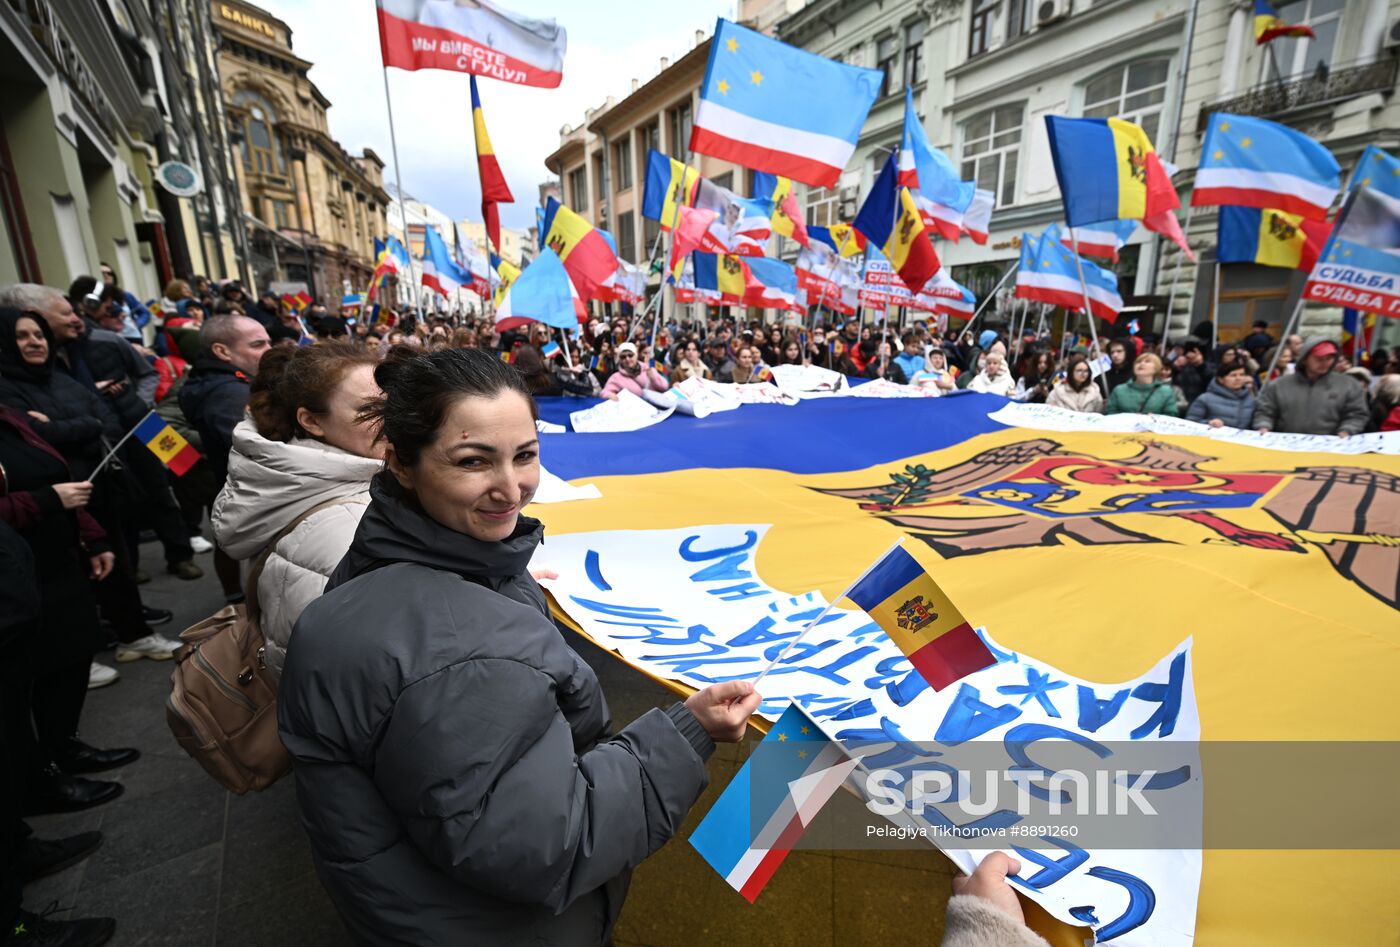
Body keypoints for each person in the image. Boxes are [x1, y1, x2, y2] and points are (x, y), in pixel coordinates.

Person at [278, 347, 761, 944]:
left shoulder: (401, 557)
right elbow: (546, 848)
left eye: (525, 456)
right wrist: (687, 732)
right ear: (402, 463)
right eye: (474, 462)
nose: (511, 489)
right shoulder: (461, 655)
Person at [0, 304, 176, 662]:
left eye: (38, 334)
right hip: (52, 501)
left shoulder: (63, 375)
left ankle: (132, 634)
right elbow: (37, 436)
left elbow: (102, 420)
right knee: (67, 584)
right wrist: (77, 426)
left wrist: (69, 426)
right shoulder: (7, 390)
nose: (35, 342)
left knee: (117, 565)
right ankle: (81, 655)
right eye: (22, 336)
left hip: (98, 487)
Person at [212, 344, 384, 681]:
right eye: (370, 410)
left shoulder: (294, 476)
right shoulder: (352, 529)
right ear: (311, 421)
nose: (396, 420)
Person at [1252, 338, 1368, 437]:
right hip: (1286, 449)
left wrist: (1347, 430)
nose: (1325, 363)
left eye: (1329, 358)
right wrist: (1263, 426)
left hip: (1329, 451)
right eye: (1319, 359)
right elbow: (1265, 411)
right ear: (1304, 359)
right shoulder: (1278, 385)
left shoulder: (1348, 384)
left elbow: (1356, 414)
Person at [1104, 352, 1178, 415]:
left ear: (1156, 368)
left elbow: (1171, 414)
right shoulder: (1119, 390)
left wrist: (1155, 419)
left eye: (1147, 361)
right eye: (1138, 362)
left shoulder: (1166, 391)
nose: (1141, 364)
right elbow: (1109, 413)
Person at [1187, 360, 1256, 428]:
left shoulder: (1250, 400)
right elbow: (1190, 423)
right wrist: (1208, 423)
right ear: (1220, 379)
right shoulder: (1205, 399)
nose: (1238, 378)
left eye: (1242, 375)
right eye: (1233, 375)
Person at [601, 342, 669, 399]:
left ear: (636, 356)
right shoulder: (616, 377)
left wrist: (653, 378)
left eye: (630, 355)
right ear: (620, 360)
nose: (627, 359)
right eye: (623, 357)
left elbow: (664, 387)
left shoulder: (647, 369)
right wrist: (609, 395)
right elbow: (604, 392)